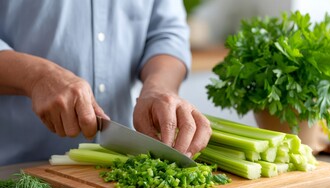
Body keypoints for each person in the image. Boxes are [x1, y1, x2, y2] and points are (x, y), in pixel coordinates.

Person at [0, 0, 212, 166]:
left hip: (117, 170)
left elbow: (167, 33)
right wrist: (37, 77)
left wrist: (159, 88)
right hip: (15, 172)